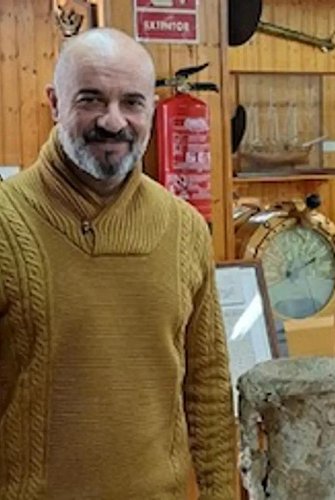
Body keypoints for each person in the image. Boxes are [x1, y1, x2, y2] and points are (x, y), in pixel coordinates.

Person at [0, 28, 237, 498]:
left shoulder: (185, 229)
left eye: (131, 103)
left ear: (150, 107)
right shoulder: (7, 223)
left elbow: (207, 387)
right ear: (54, 102)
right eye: (91, 100)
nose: (113, 122)